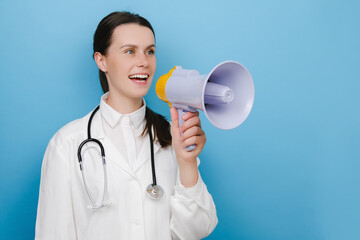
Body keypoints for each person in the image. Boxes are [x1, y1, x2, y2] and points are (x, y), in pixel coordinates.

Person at [35, 11, 217, 240]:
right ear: (102, 61)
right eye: (130, 51)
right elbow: (53, 234)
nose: (144, 61)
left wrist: (187, 162)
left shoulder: (174, 136)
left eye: (150, 51)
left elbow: (196, 230)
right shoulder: (67, 143)